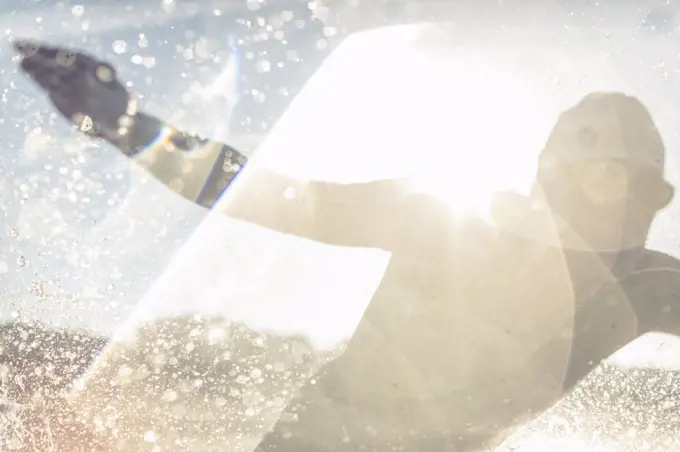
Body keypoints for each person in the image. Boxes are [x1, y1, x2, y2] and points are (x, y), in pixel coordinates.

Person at [15, 40, 680, 451]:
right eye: (596, 178)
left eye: (634, 192)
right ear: (550, 177)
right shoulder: (450, 219)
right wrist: (134, 129)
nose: (611, 210)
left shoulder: (644, 283)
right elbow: (270, 195)